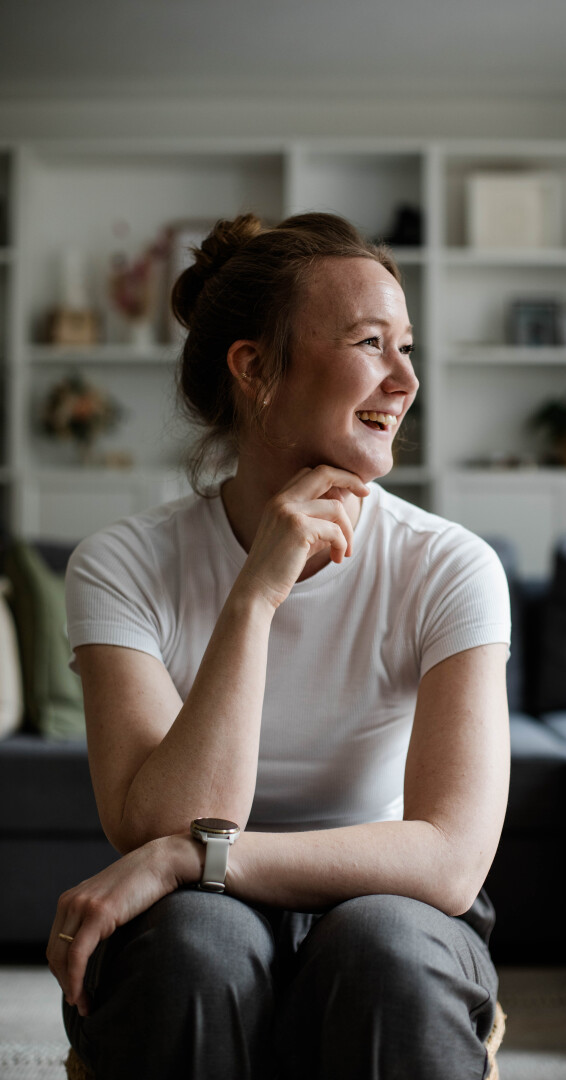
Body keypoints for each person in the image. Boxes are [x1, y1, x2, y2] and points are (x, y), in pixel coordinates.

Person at [46, 211, 511, 1080]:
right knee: (194, 946)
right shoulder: (120, 565)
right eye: (371, 342)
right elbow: (155, 822)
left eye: (407, 347)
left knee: (385, 948)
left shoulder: (450, 566)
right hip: (194, 920)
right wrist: (256, 593)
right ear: (255, 368)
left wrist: (197, 855)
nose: (407, 380)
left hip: (390, 909)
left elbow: (450, 862)